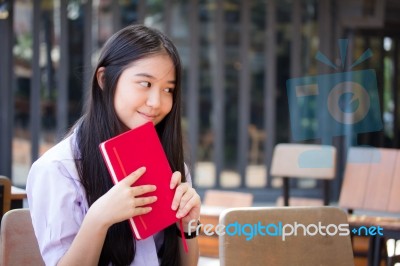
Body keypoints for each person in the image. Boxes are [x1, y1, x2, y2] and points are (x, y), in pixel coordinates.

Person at [27, 24, 201, 266]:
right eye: (145, 83)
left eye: (168, 89)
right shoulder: (58, 169)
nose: (156, 102)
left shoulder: (171, 164)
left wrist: (187, 226)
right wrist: (98, 219)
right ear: (104, 79)